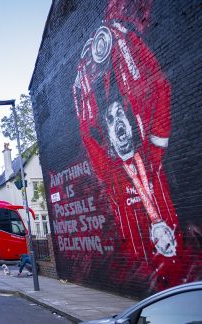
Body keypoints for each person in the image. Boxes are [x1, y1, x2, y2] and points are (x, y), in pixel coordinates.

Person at [72, 0, 184, 290]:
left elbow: (158, 87)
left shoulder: (129, 169)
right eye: (168, 239)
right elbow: (159, 88)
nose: (119, 126)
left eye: (161, 243)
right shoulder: (149, 158)